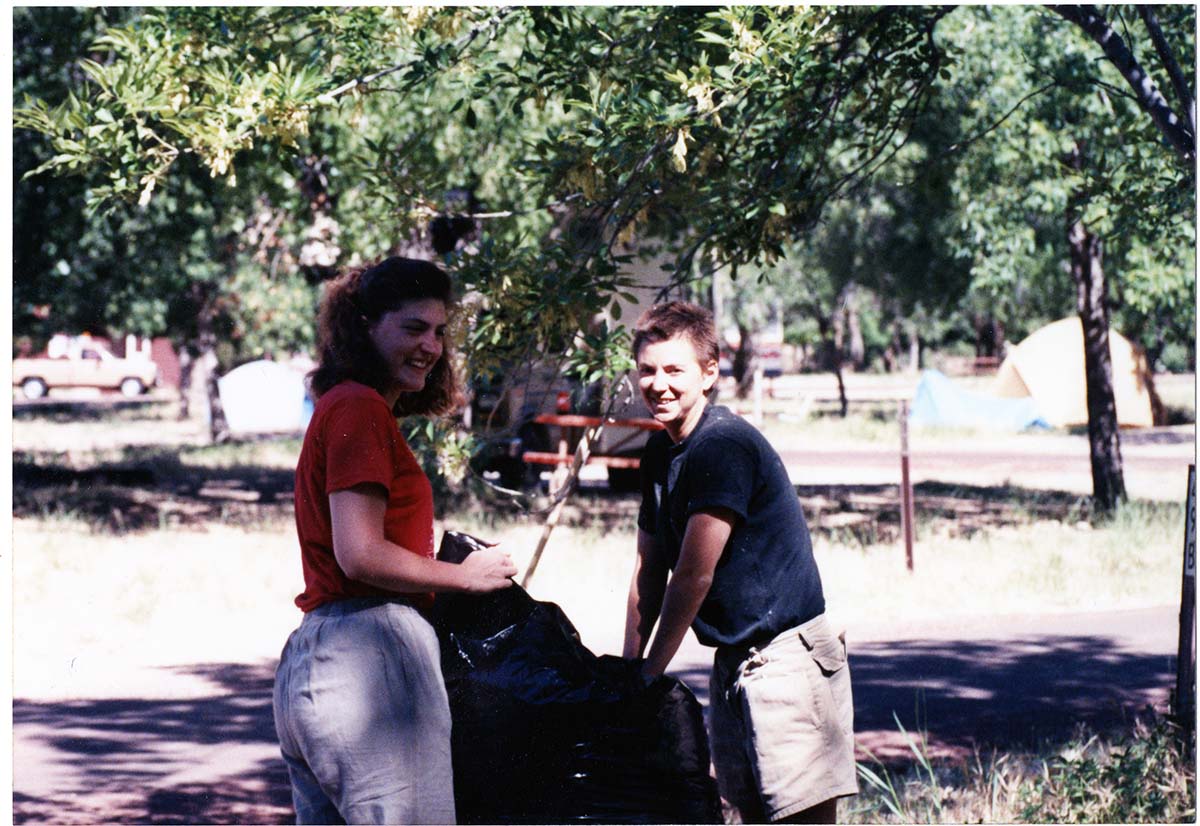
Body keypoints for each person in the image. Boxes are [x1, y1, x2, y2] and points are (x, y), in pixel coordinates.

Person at [273, 256, 518, 825]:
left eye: (438, 331)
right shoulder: (359, 408)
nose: (430, 347)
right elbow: (359, 552)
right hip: (371, 658)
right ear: (364, 327)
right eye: (412, 328)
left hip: (318, 659)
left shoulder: (344, 408)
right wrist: (466, 575)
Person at [622, 301, 857, 824]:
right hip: (731, 660)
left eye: (674, 369)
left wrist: (648, 677)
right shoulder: (659, 454)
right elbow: (648, 572)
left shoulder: (722, 446)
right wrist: (626, 667)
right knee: (744, 815)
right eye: (647, 370)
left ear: (710, 373)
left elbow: (692, 575)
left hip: (787, 659)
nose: (658, 384)